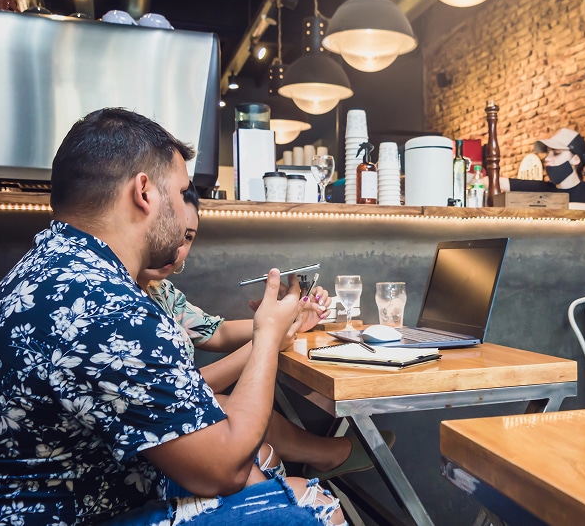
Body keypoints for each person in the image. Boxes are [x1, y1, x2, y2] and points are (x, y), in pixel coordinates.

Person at [0, 108, 345, 525]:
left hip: (75, 490)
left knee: (265, 473)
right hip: (73, 513)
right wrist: (267, 336)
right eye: (181, 194)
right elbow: (224, 468)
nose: (185, 220)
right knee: (313, 504)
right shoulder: (107, 307)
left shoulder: (53, 266)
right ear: (145, 192)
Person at [138, 185, 395, 482]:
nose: (176, 247)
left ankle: (324, 454)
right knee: (230, 408)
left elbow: (216, 331)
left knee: (231, 407)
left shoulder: (160, 291)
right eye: (172, 230)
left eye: (188, 236)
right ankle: (324, 457)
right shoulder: (121, 304)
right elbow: (181, 391)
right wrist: (268, 337)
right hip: (161, 451)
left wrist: (291, 319)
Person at [497, 128, 585, 211]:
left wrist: (564, 206)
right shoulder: (542, 189)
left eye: (556, 153)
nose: (547, 159)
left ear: (575, 159)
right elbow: (498, 182)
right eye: (547, 153)